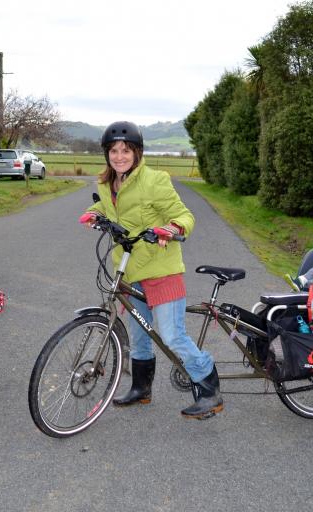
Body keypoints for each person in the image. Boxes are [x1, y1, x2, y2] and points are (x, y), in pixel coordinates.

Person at [81, 120, 223, 420]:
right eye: (114, 151)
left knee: (172, 336)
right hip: (129, 270)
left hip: (161, 269)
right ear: (107, 153)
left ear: (137, 152)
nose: (119, 156)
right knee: (139, 333)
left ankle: (210, 388)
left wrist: (171, 228)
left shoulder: (155, 180)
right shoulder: (106, 184)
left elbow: (185, 215)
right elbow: (111, 211)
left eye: (126, 150)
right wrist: (95, 214)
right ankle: (141, 388)